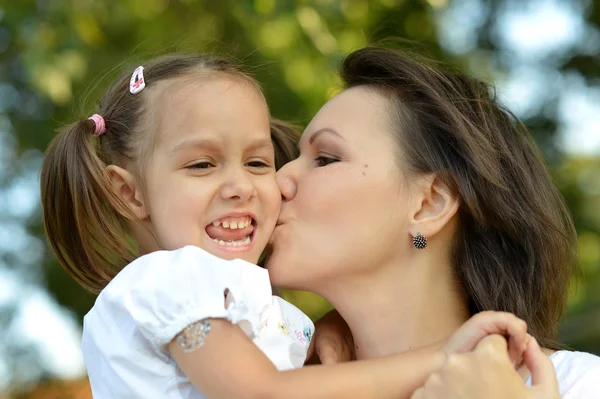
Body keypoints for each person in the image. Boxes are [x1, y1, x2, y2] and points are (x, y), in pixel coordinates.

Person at [40, 53, 527, 398]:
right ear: (129, 193)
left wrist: (327, 333)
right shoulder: (170, 281)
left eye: (257, 163)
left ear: (428, 203)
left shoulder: (255, 315)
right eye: (201, 166)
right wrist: (444, 355)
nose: (266, 184)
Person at [266, 45, 600, 398]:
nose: (277, 182)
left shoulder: (576, 385)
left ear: (429, 205)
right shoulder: (248, 375)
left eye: (326, 159)